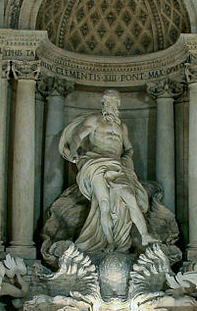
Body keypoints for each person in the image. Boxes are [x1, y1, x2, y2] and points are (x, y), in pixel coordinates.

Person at [58, 90, 157, 252]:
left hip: (117, 166)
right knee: (104, 204)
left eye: (115, 102)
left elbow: (129, 148)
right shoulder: (94, 120)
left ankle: (144, 234)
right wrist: (74, 152)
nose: (111, 105)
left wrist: (127, 158)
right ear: (103, 104)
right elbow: (77, 136)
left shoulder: (121, 126)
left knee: (130, 198)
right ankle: (110, 242)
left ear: (118, 105)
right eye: (108, 102)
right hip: (96, 163)